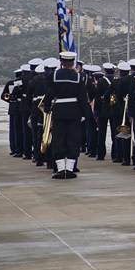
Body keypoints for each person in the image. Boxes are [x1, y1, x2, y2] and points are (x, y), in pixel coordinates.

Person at [42, 51, 91, 179]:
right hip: (74, 111)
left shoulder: (53, 75)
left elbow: (49, 94)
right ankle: (69, 169)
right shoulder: (78, 77)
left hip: (59, 111)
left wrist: (47, 108)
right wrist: (86, 114)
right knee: (73, 139)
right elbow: (82, 97)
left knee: (58, 139)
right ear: (73, 62)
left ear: (61, 62)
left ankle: (60, 169)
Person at [93, 63, 115, 161]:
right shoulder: (116, 80)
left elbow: (97, 97)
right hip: (113, 108)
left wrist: (96, 111)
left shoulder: (101, 81)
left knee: (101, 133)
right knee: (114, 133)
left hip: (103, 109)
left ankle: (101, 154)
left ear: (105, 71)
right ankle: (115, 153)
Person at [1, 69, 23, 156]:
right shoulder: (23, 83)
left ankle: (13, 148)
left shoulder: (10, 83)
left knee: (13, 130)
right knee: (19, 130)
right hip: (20, 107)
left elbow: (3, 96)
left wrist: (10, 101)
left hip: (13, 107)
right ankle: (19, 149)